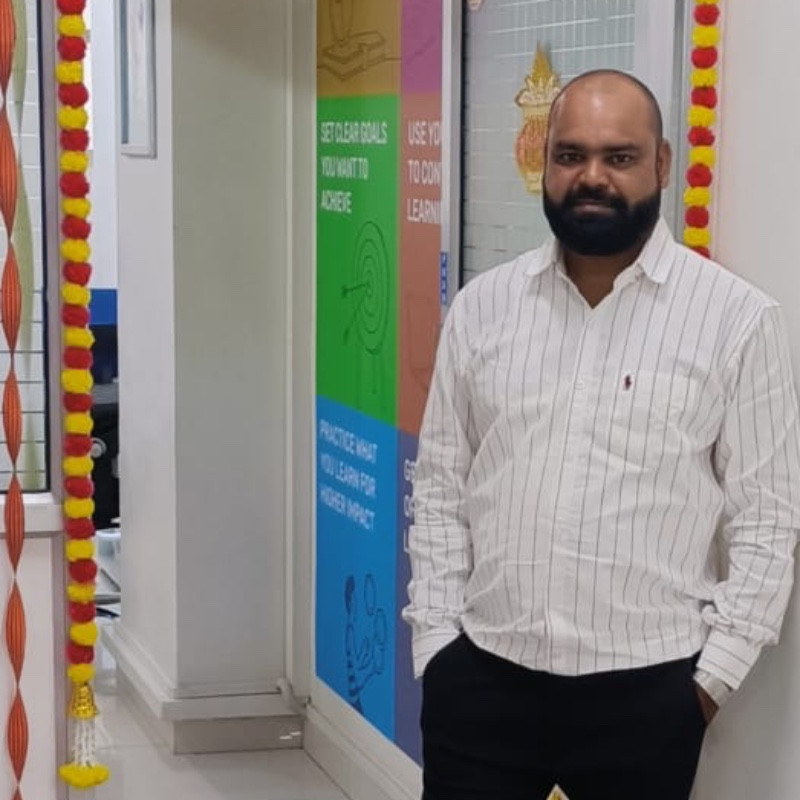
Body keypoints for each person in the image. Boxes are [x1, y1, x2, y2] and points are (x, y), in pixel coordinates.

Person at [403, 70, 800, 800]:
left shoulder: (737, 321)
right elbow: (440, 490)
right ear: (544, 162)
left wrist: (709, 684)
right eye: (570, 155)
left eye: (619, 157)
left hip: (648, 697)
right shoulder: (483, 308)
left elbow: (768, 522)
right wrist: (437, 645)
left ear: (662, 164)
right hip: (482, 683)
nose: (592, 177)